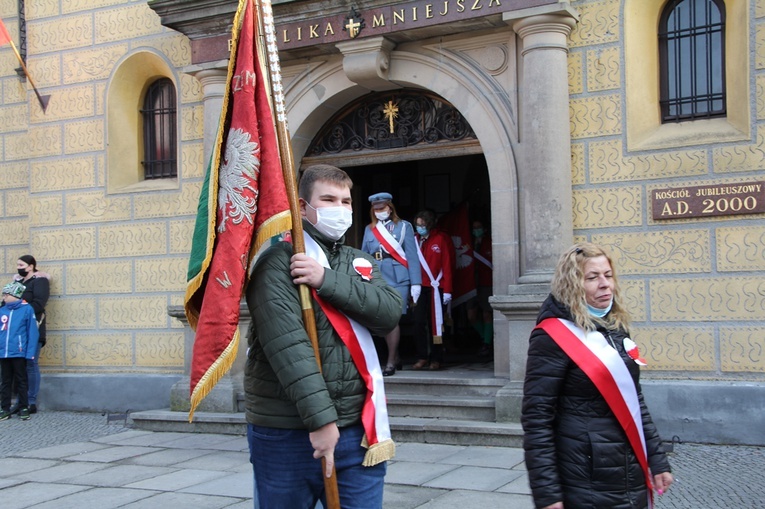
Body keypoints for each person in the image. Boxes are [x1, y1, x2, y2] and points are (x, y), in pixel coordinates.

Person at [244, 164, 402, 509]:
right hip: (289, 433)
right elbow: (288, 347)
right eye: (328, 199)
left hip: (357, 430)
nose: (340, 209)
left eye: (345, 201)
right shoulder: (277, 262)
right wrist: (321, 421)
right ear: (302, 207)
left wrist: (325, 280)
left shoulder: (358, 260)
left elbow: (389, 312)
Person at [522, 243, 673, 509]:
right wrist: (547, 494)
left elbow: (634, 400)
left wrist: (656, 459)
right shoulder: (551, 337)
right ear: (572, 284)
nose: (605, 284)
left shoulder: (615, 326)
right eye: (592, 277)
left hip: (628, 467)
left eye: (608, 275)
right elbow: (537, 419)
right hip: (584, 475)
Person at [361, 192, 421, 376]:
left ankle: (390, 362)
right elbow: (364, 256)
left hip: (399, 277)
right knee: (384, 318)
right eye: (376, 209)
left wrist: (416, 282)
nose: (380, 211)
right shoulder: (369, 229)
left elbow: (412, 255)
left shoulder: (404, 227)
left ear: (390, 207)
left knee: (392, 318)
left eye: (383, 208)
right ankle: (396, 357)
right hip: (378, 277)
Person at [412, 209, 455, 371]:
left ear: (430, 224)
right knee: (417, 323)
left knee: (436, 325)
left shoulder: (441, 239)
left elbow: (448, 265)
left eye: (422, 225)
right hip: (419, 287)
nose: (419, 228)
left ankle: (436, 358)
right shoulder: (414, 240)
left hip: (437, 288)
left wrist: (448, 290)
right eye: (417, 225)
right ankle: (422, 356)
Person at [13, 255, 50, 414]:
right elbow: (7, 301)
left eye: (21, 264)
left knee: (30, 364)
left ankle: (31, 401)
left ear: (31, 266)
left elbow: (39, 304)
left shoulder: (40, 281)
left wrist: (18, 310)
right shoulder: (18, 282)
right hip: (16, 330)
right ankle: (20, 401)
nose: (18, 267)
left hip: (33, 328)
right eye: (18, 264)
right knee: (18, 365)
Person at [0, 282, 40, 421]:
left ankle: (24, 407)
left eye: (6, 295)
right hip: (4, 353)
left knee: (21, 380)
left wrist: (30, 353)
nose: (3, 297)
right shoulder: (2, 310)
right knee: (5, 381)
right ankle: (4, 408)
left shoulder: (27, 309)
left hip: (19, 352)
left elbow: (32, 332)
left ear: (15, 295)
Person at [468, 219, 493, 357]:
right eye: (474, 227)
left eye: (478, 227)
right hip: (471, 284)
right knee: (471, 315)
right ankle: (485, 338)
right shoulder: (468, 243)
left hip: (486, 283)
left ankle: (487, 343)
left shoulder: (490, 242)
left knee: (486, 314)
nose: (476, 230)